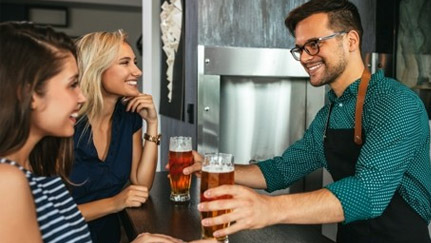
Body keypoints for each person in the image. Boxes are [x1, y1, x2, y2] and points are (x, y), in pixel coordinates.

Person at [185, 0, 431, 242]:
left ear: (351, 41)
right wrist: (208, 165)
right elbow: (282, 170)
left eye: (313, 44)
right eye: (300, 48)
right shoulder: (330, 113)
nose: (304, 58)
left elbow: (367, 194)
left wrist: (269, 209)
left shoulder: (396, 102)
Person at [0, 21, 90, 242]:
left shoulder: (37, 166)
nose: (82, 97)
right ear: (29, 94)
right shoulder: (6, 182)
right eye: (72, 84)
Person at [68, 30, 161, 243]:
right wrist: (115, 203)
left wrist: (153, 125)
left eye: (134, 62)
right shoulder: (65, 124)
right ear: (97, 69)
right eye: (125, 63)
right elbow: (46, 217)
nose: (137, 71)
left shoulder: (128, 118)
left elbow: (141, 186)